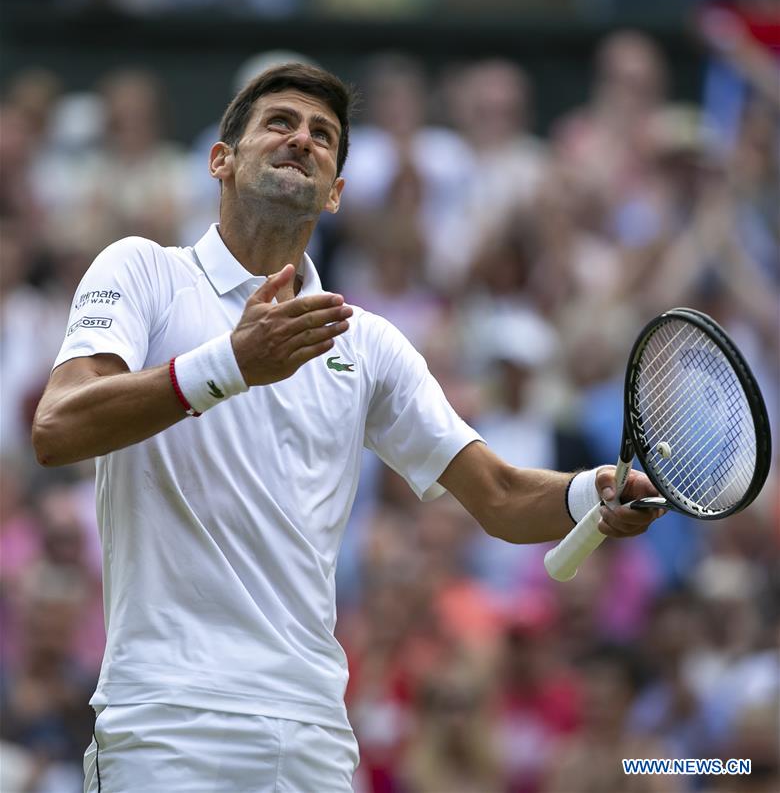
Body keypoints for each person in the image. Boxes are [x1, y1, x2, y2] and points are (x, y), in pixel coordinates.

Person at [32, 63, 663, 792]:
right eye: (279, 122)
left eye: (323, 136)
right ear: (221, 160)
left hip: (312, 737)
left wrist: (593, 491)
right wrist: (231, 363)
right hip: (169, 723)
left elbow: (496, 491)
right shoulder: (142, 271)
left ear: (334, 193)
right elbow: (58, 426)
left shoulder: (367, 342)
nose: (302, 138)